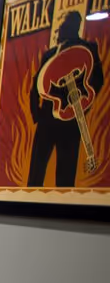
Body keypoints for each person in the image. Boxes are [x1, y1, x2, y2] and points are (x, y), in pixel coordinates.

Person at [27, 11, 104, 187]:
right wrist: (37, 114)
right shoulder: (50, 54)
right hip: (47, 119)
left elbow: (97, 79)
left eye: (61, 28)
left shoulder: (88, 48)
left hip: (72, 120)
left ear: (71, 26)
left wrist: (84, 102)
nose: (58, 32)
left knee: (66, 175)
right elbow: (36, 85)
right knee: (36, 173)